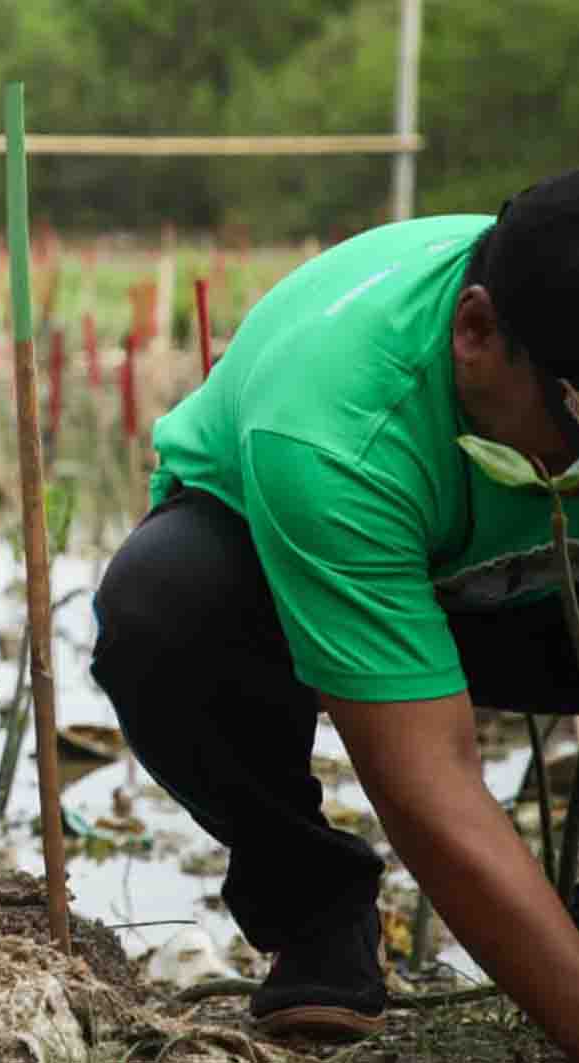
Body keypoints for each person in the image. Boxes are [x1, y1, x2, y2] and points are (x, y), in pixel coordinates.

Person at [92, 171, 579, 1053]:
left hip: (534, 581)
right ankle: (315, 908)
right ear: (475, 332)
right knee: (162, 612)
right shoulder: (333, 425)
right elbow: (433, 784)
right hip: (276, 575)